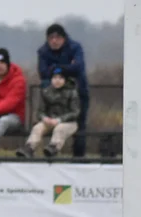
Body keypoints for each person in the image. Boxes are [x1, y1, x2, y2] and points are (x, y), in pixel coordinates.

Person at [38, 23, 89, 158]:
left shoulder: (75, 47)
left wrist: (55, 68)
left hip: (78, 93)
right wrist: (67, 67)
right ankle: (50, 151)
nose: (54, 41)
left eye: (57, 37)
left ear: (64, 38)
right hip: (53, 97)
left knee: (80, 127)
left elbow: (78, 67)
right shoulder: (43, 51)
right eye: (51, 38)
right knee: (47, 126)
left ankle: (79, 159)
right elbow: (43, 73)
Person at [17, 66, 80, 158]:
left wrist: (59, 120)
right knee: (37, 128)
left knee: (60, 129)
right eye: (54, 78)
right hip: (50, 121)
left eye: (60, 78)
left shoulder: (72, 92)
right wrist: (44, 118)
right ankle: (29, 148)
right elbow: (40, 112)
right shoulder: (46, 91)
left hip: (69, 123)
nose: (57, 80)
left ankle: (53, 148)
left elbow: (75, 112)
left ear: (65, 79)